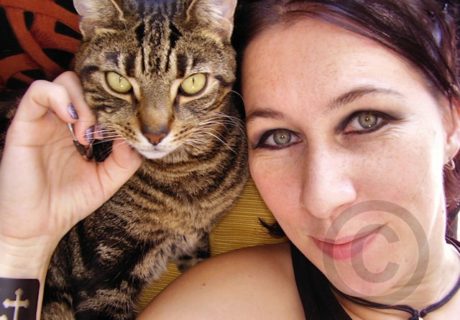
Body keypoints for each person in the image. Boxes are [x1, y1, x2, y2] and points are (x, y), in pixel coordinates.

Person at [1, 0, 459, 319]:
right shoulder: (225, 300)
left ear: (452, 119)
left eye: (366, 120)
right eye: (277, 136)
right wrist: (20, 246)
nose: (322, 197)